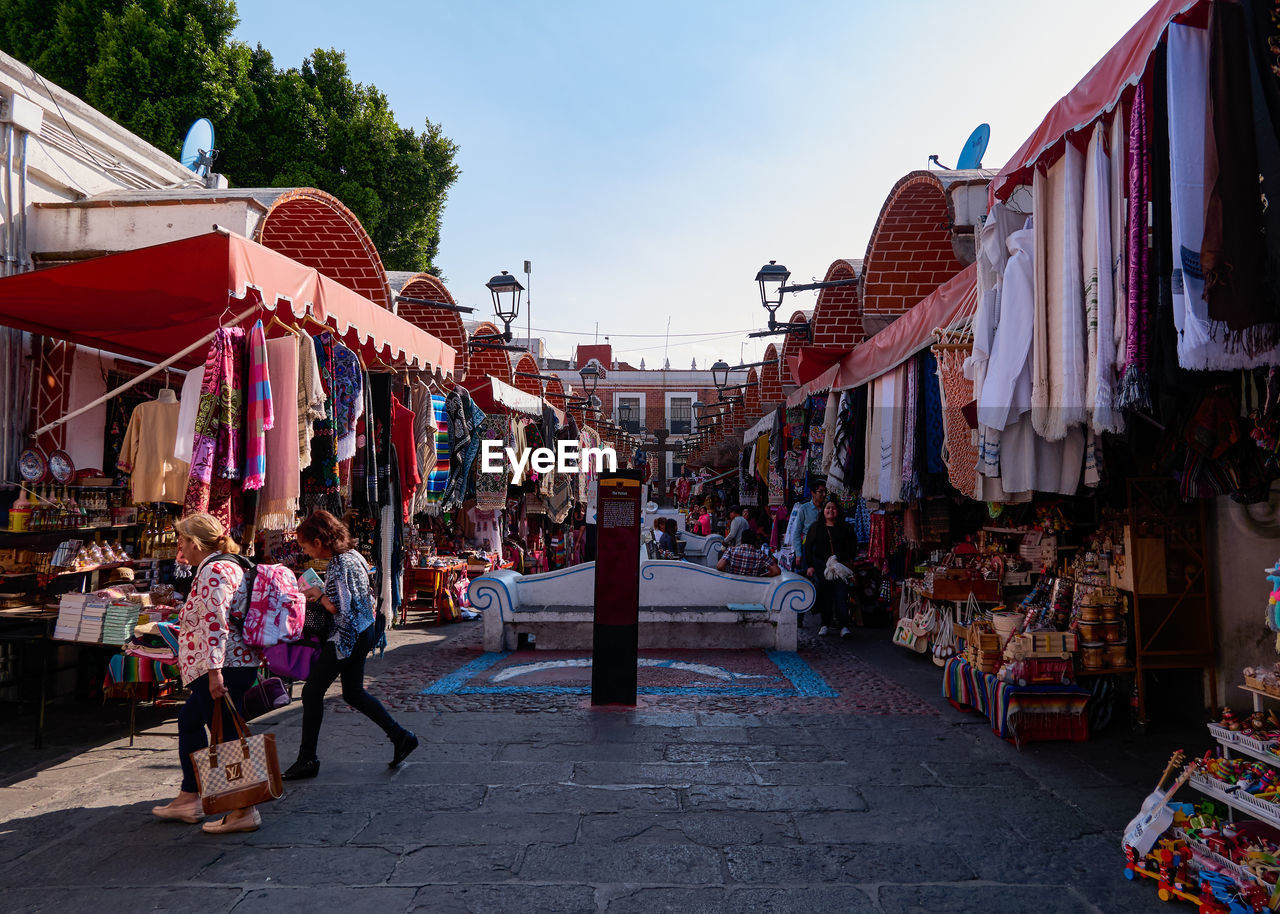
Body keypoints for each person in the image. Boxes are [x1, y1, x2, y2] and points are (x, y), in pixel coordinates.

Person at [285, 510, 418, 780]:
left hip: (346, 637)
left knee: (311, 693)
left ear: (319, 542)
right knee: (354, 692)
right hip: (363, 631)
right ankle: (401, 736)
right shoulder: (353, 556)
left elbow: (338, 608)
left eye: (305, 545)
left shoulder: (339, 563)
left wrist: (317, 594)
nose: (305, 551)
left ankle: (307, 758)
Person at [152, 513, 262, 834]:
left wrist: (214, 671)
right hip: (231, 663)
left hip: (223, 666)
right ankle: (190, 796)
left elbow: (216, 622)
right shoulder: (228, 564)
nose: (180, 545)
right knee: (190, 720)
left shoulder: (214, 570)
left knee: (227, 735)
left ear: (195, 542)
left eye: (182, 539)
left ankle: (244, 809)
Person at [803, 499, 856, 638]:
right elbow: (808, 547)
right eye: (828, 508)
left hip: (841, 566)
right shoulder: (816, 527)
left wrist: (845, 559)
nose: (830, 510)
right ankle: (824, 624)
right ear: (823, 510)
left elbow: (852, 546)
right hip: (822, 567)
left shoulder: (846, 527)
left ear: (838, 511)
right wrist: (810, 565)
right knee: (825, 596)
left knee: (841, 595)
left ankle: (843, 625)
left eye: (833, 508)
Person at [787, 482, 827, 558]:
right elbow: (797, 532)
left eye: (825, 492)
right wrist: (798, 554)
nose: (824, 494)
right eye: (821, 491)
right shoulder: (804, 508)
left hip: (824, 548)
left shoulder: (826, 508)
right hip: (808, 546)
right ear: (813, 493)